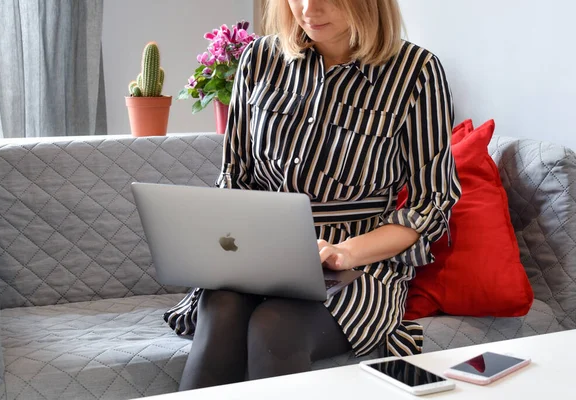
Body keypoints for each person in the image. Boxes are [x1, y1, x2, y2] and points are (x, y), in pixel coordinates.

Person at [165, 0, 461, 391]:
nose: (309, 8)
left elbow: (432, 202)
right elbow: (235, 178)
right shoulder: (259, 59)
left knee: (274, 328)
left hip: (357, 267)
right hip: (259, 257)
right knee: (221, 309)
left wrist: (348, 252)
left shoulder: (416, 72)